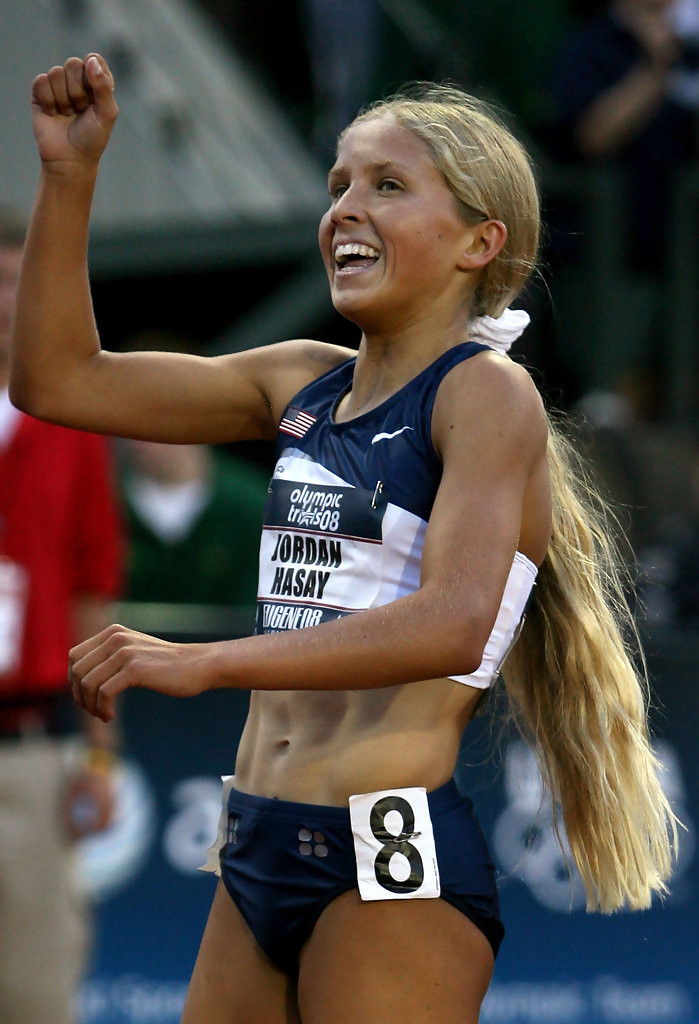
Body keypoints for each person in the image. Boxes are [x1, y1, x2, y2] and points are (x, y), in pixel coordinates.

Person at [10, 54, 677, 1024]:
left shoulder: (485, 394)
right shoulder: (300, 381)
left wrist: (207, 661)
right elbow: (58, 380)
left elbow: (453, 622)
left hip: (383, 854)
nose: (345, 210)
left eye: (387, 186)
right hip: (255, 836)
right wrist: (70, 175)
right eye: (338, 186)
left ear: (479, 242)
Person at [0, 207, 124, 1024]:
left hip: (30, 748)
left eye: (16, 281)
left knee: (34, 993)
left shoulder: (73, 425)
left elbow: (93, 590)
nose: (3, 301)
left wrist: (101, 754)